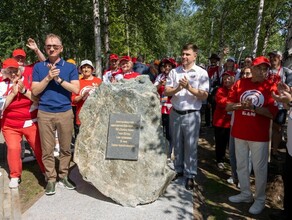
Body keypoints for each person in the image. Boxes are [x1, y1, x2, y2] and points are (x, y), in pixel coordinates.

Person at [226, 56, 278, 215]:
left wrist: (254, 108)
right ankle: (246, 194)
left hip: (259, 136)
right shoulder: (240, 83)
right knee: (241, 165)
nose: (263, 72)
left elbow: (272, 113)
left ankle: (260, 199)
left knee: (259, 169)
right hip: (240, 132)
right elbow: (228, 107)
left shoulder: (271, 86)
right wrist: (241, 105)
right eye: (260, 68)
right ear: (252, 69)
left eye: (266, 69)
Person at [31, 33, 80, 195]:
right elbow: (35, 90)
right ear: (45, 48)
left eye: (55, 46)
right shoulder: (39, 67)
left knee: (66, 148)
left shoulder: (70, 67)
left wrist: (59, 80)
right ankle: (51, 179)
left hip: (65, 112)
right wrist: (48, 78)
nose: (52, 49)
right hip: (45, 112)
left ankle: (64, 175)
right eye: (48, 46)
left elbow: (75, 89)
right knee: (47, 149)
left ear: (61, 48)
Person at [164, 43, 209, 190]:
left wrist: (189, 87)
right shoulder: (174, 72)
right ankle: (178, 169)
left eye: (187, 54)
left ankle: (190, 175)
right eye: (183, 54)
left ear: (195, 56)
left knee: (190, 146)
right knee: (177, 144)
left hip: (191, 114)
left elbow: (204, 95)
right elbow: (166, 91)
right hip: (176, 112)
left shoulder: (201, 73)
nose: (184, 56)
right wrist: (178, 88)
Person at [0, 58, 45, 188]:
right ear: (5, 73)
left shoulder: (29, 80)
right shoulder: (2, 84)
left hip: (30, 121)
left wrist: (24, 91)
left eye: (16, 71)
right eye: (10, 72)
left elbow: (37, 100)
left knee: (38, 147)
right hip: (10, 124)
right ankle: (15, 175)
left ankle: (46, 171)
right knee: (14, 148)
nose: (13, 74)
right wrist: (12, 94)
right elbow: (1, 108)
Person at [270, 82, 292, 219]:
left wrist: (290, 100)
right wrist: (286, 98)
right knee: (288, 178)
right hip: (290, 150)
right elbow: (288, 107)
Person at [268, 51, 292, 161]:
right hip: (266, 102)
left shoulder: (286, 71)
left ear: (281, 58)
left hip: (281, 105)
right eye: (271, 56)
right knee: (266, 126)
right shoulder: (265, 70)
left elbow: (290, 88)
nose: (272, 58)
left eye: (275, 56)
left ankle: (274, 151)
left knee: (277, 128)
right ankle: (266, 149)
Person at [72, 60, 102, 136]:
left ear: (92, 69)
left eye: (88, 67)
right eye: (84, 67)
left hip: (96, 115)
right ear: (81, 70)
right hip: (81, 116)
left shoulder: (99, 81)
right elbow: (73, 100)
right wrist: (82, 95)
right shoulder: (77, 82)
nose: (86, 69)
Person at [154, 58, 176, 160]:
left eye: (169, 66)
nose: (167, 68)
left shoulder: (175, 76)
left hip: (172, 106)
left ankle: (170, 151)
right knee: (161, 129)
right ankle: (161, 149)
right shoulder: (160, 76)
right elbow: (153, 89)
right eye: (165, 66)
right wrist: (160, 84)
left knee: (170, 130)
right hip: (161, 106)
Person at [212, 71, 235, 169]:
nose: (226, 80)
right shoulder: (220, 90)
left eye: (228, 78)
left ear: (233, 79)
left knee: (231, 144)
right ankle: (219, 160)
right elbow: (221, 102)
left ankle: (232, 160)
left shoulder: (237, 90)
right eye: (224, 79)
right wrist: (234, 103)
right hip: (220, 121)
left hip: (232, 122)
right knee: (220, 142)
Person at [205, 53, 221, 127]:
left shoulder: (219, 68)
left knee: (214, 106)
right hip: (207, 88)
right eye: (212, 59)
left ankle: (214, 122)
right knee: (206, 106)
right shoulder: (207, 68)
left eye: (214, 59)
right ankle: (207, 122)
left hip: (215, 89)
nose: (213, 60)